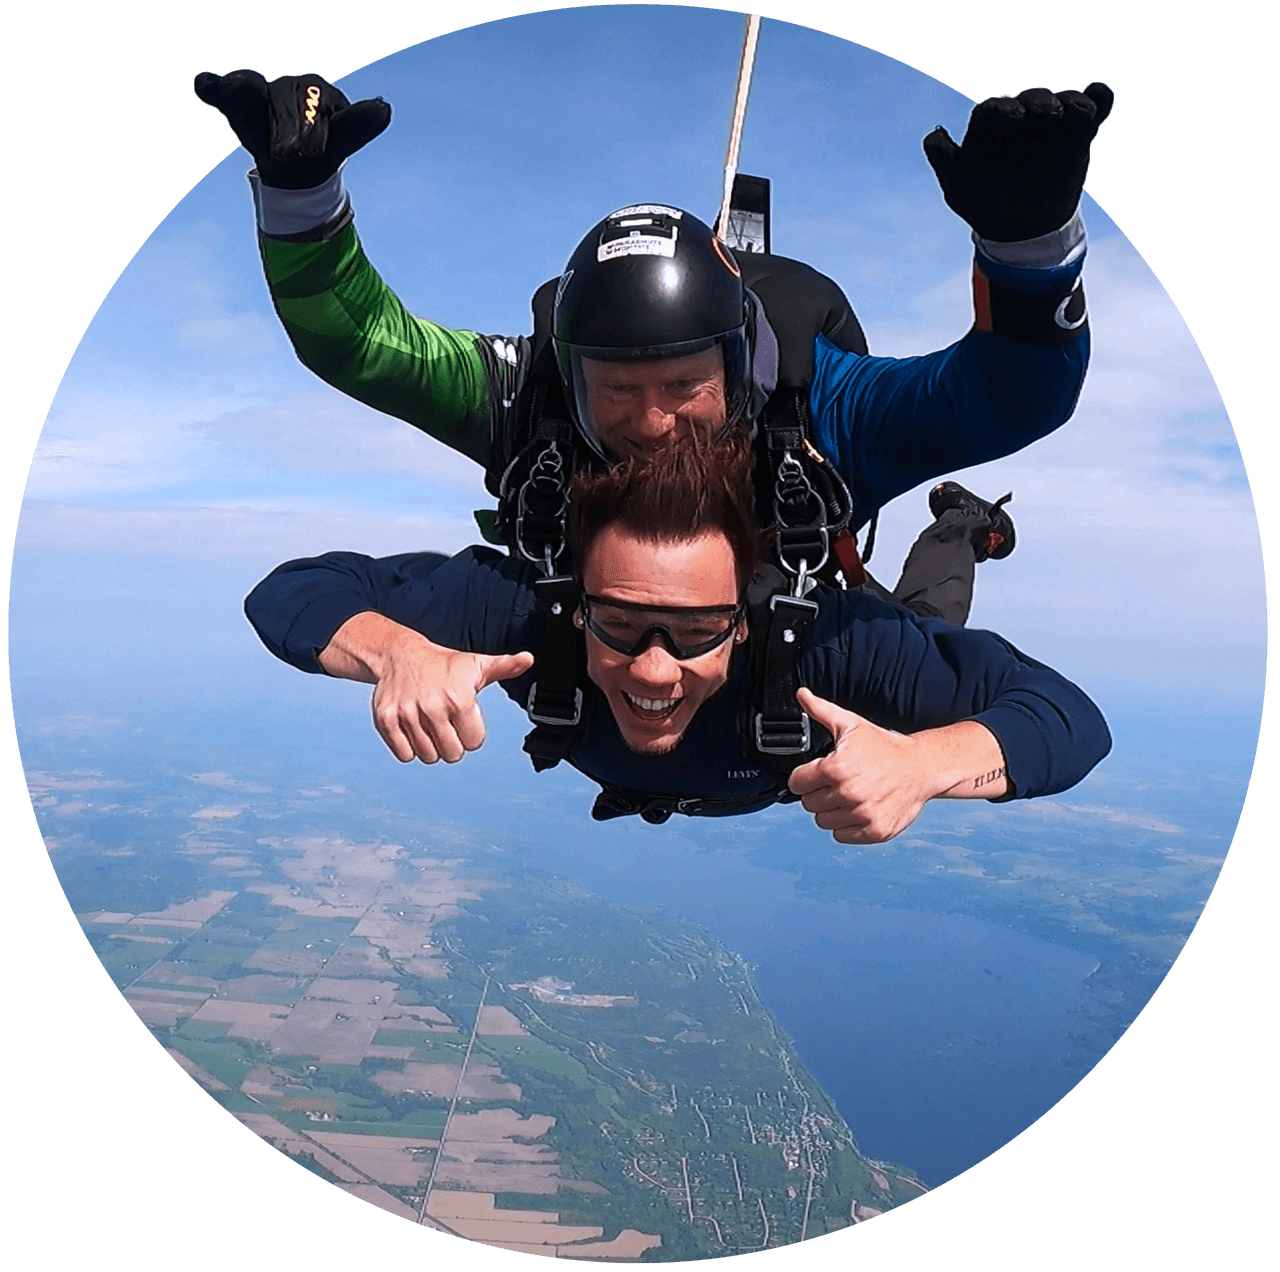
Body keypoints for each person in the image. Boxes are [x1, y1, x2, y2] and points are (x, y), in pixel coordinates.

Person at [197, 69, 1108, 621]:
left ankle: (963, 524)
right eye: (615, 389)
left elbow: (1011, 395)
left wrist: (1031, 247)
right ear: (573, 375)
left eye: (681, 382)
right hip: (608, 669)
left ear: (738, 371)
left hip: (797, 651)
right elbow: (368, 346)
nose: (651, 422)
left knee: (928, 641)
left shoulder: (818, 407)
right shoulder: (539, 401)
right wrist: (302, 197)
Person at [244, 430, 1110, 840]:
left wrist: (920, 765)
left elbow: (1068, 719)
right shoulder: (524, 617)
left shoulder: (826, 649)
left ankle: (962, 524)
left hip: (866, 658)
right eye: (618, 622)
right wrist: (399, 651)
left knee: (926, 621)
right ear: (576, 599)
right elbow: (292, 592)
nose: (654, 667)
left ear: (745, 617)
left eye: (696, 632)